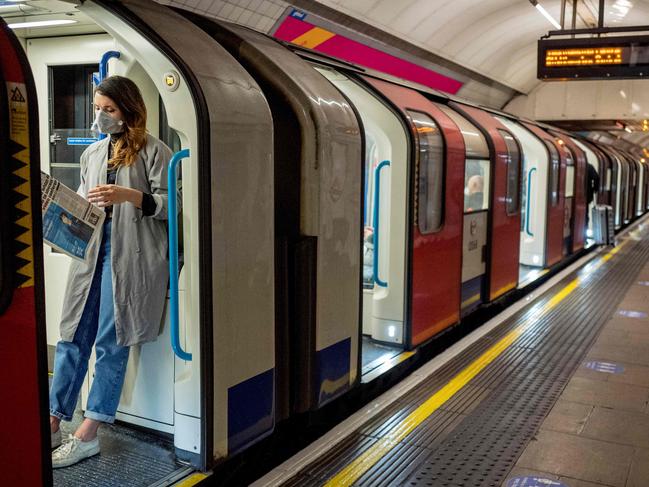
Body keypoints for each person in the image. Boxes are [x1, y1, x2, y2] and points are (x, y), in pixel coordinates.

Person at [49, 75, 178, 468]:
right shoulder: (91, 155)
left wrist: (130, 196)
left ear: (128, 110)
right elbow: (85, 208)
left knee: (110, 342)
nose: (101, 116)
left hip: (130, 260)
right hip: (91, 257)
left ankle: (89, 433)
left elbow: (173, 206)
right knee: (72, 337)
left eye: (109, 109)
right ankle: (53, 421)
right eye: (97, 109)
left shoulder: (157, 153)